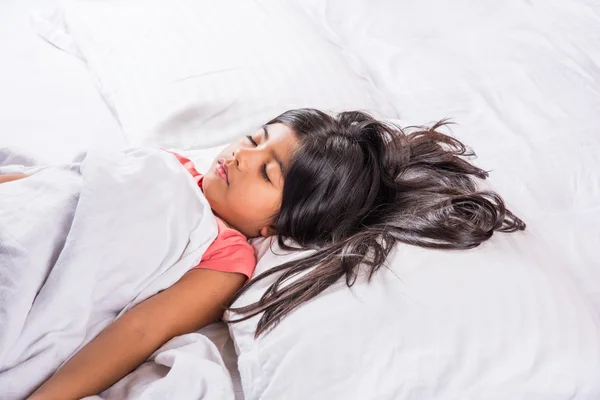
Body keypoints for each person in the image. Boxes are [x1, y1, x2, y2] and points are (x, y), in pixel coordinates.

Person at [17, 108, 524, 399]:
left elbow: (140, 330)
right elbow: (55, 188)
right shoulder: (164, 164)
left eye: (267, 172)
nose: (242, 155)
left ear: (277, 224)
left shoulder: (224, 255)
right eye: (254, 139)